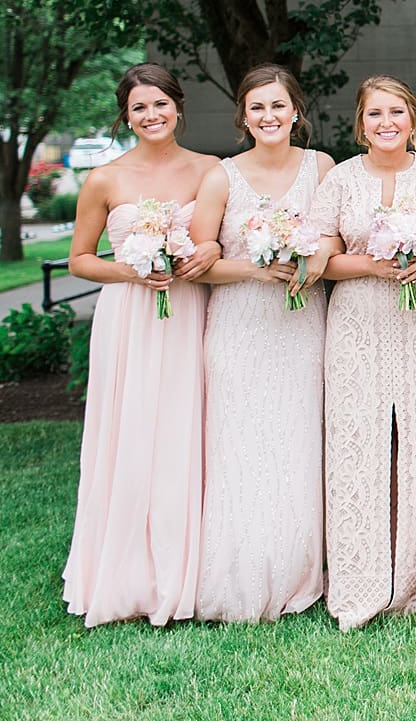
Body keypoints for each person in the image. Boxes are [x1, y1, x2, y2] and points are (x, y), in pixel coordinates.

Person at [63, 62, 219, 626]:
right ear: (125, 116)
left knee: (188, 428)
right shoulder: (105, 178)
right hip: (130, 317)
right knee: (130, 430)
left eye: (160, 104)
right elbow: (81, 259)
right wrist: (133, 270)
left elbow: (219, 240)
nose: (151, 115)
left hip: (190, 311)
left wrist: (205, 257)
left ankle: (191, 568)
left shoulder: (210, 170)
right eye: (139, 108)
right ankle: (125, 569)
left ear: (178, 107)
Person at [310, 75, 416, 630]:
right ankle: (359, 577)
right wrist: (374, 264)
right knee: (357, 442)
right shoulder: (342, 178)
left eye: (396, 112)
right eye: (374, 114)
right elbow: (321, 256)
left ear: (412, 117)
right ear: (360, 122)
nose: (386, 123)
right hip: (356, 320)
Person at [193, 65, 333, 622]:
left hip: (301, 327)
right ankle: (236, 574)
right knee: (241, 447)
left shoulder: (321, 167)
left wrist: (310, 260)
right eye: (258, 108)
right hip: (240, 326)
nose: (269, 117)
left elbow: (333, 236)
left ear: (296, 111)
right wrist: (255, 269)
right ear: (243, 117)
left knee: (298, 444)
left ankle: (298, 573)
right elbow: (199, 264)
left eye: (279, 106)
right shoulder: (221, 177)